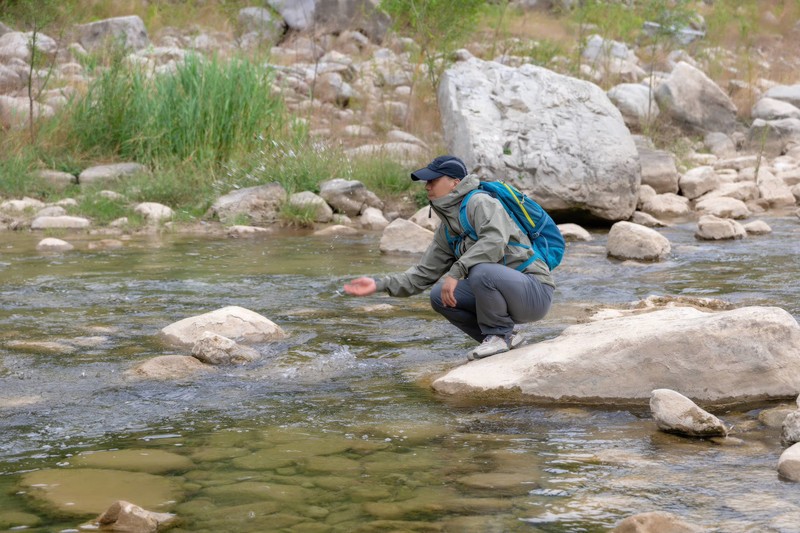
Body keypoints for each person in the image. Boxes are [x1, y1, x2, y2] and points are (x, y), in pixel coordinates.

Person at [343, 155, 555, 360]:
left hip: (534, 291)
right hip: (503, 293)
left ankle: (499, 334)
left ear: (455, 182)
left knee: (480, 271)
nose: (427, 186)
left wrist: (456, 272)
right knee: (439, 296)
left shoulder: (481, 202)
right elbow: (422, 274)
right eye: (427, 181)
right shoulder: (447, 230)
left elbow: (494, 242)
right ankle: (503, 337)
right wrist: (379, 285)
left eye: (433, 180)